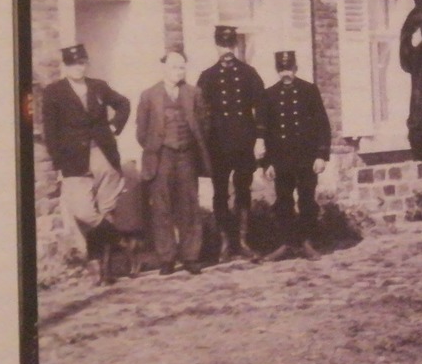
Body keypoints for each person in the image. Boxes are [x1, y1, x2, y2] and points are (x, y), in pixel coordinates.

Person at [41, 43, 130, 278]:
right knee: (83, 212)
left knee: (107, 209)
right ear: (65, 66)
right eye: (72, 64)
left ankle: (107, 269)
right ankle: (120, 238)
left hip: (103, 156)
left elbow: (123, 103)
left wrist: (114, 125)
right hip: (74, 162)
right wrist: (60, 164)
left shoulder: (98, 87)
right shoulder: (53, 92)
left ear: (86, 64)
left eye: (82, 63)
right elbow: (51, 133)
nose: (78, 68)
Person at [136, 50, 212, 275]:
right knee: (162, 209)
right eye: (173, 67)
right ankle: (167, 258)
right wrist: (157, 147)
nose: (178, 71)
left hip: (187, 156)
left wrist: (190, 145)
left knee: (189, 207)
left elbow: (204, 124)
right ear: (163, 68)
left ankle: (190, 257)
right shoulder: (149, 95)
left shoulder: (193, 93)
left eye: (181, 67)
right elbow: (141, 132)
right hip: (161, 157)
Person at [196, 25, 266, 262]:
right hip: (218, 144)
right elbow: (200, 113)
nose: (226, 50)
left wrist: (260, 138)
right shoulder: (207, 77)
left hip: (244, 143)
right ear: (216, 46)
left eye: (230, 45)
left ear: (235, 46)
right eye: (222, 45)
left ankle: (243, 241)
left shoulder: (248, 73)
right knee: (219, 193)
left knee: (243, 190)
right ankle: (225, 243)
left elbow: (262, 107)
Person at [259, 50, 331, 262]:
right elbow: (264, 132)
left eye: (289, 68)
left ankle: (307, 242)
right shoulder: (269, 94)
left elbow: (322, 125)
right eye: (282, 69)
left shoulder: (309, 90)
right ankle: (288, 243)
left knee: (307, 200)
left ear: (296, 68)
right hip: (281, 159)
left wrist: (321, 155)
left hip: (306, 158)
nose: (286, 73)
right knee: (283, 202)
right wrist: (266, 163)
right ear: (277, 70)